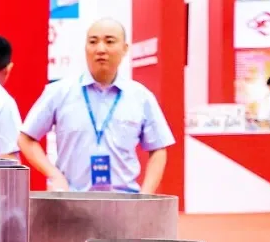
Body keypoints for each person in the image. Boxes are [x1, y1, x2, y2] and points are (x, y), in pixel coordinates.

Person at [17, 18, 175, 193]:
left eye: (109, 41)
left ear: (125, 49)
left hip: (124, 200)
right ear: (85, 48)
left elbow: (159, 148)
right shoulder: (59, 92)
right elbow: (26, 138)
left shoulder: (141, 97)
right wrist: (54, 175)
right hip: (72, 199)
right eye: (93, 42)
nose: (100, 49)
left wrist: (145, 197)